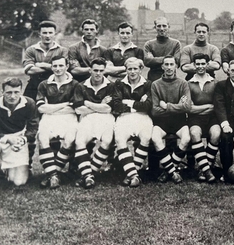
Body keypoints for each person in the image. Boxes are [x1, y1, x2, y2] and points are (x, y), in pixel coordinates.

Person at [0, 77, 38, 189]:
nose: (13, 96)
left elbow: (33, 129)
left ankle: (5, 170)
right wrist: (6, 138)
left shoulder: (29, 103)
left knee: (19, 182)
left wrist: (23, 139)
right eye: (9, 92)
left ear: (21, 91)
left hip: (17, 138)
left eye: (16, 92)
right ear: (2, 92)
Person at [36, 55, 80, 189]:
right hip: (49, 118)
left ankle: (52, 173)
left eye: (61, 65)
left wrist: (51, 109)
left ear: (67, 67)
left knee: (69, 139)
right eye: (55, 66)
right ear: (51, 67)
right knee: (43, 138)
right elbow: (41, 107)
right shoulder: (44, 84)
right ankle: (54, 174)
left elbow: (74, 109)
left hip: (68, 118)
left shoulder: (75, 84)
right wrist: (64, 104)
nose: (58, 68)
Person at [72, 58, 116, 189]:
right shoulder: (81, 85)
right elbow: (78, 109)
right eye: (95, 70)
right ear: (90, 70)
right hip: (88, 119)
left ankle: (88, 174)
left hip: (106, 118)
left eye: (101, 71)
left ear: (105, 71)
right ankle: (89, 176)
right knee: (79, 141)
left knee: (107, 141)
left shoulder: (111, 85)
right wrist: (100, 105)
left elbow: (109, 109)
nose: (98, 73)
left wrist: (88, 103)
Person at [112, 57, 153, 187]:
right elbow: (117, 105)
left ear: (141, 70)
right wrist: (137, 104)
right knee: (120, 139)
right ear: (126, 70)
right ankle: (134, 175)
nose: (132, 72)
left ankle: (129, 173)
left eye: (135, 68)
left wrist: (128, 102)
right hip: (124, 117)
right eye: (130, 69)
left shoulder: (148, 84)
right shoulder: (119, 83)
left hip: (143, 116)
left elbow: (147, 106)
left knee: (146, 138)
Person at [150, 56, 191, 183]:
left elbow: (187, 107)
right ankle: (173, 171)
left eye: (171, 64)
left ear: (176, 66)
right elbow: (155, 110)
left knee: (186, 139)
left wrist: (167, 106)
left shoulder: (183, 84)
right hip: (161, 121)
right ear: (162, 66)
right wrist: (177, 106)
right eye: (166, 64)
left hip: (179, 121)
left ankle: (167, 170)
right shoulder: (156, 84)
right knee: (155, 138)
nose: (169, 67)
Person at [187, 53, 220, 183]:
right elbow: (189, 108)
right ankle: (207, 170)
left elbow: (216, 107)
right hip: (195, 119)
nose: (200, 66)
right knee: (195, 133)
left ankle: (203, 168)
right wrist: (207, 106)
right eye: (198, 64)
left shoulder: (215, 83)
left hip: (212, 118)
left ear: (207, 65)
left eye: (203, 64)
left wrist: (198, 108)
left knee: (216, 134)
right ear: (194, 65)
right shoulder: (188, 84)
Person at [22, 20, 68, 100]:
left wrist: (41, 65)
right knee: (27, 107)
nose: (47, 36)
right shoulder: (31, 50)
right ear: (39, 34)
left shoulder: (62, 50)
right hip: (34, 85)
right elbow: (30, 71)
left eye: (50, 33)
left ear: (55, 34)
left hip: (56, 84)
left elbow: (64, 70)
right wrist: (53, 67)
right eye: (44, 33)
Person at [143, 17, 181, 82]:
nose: (162, 29)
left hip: (171, 79)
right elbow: (147, 61)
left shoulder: (176, 44)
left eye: (164, 26)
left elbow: (177, 61)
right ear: (155, 27)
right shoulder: (149, 44)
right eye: (159, 26)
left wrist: (154, 59)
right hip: (153, 78)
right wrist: (169, 58)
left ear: (168, 27)